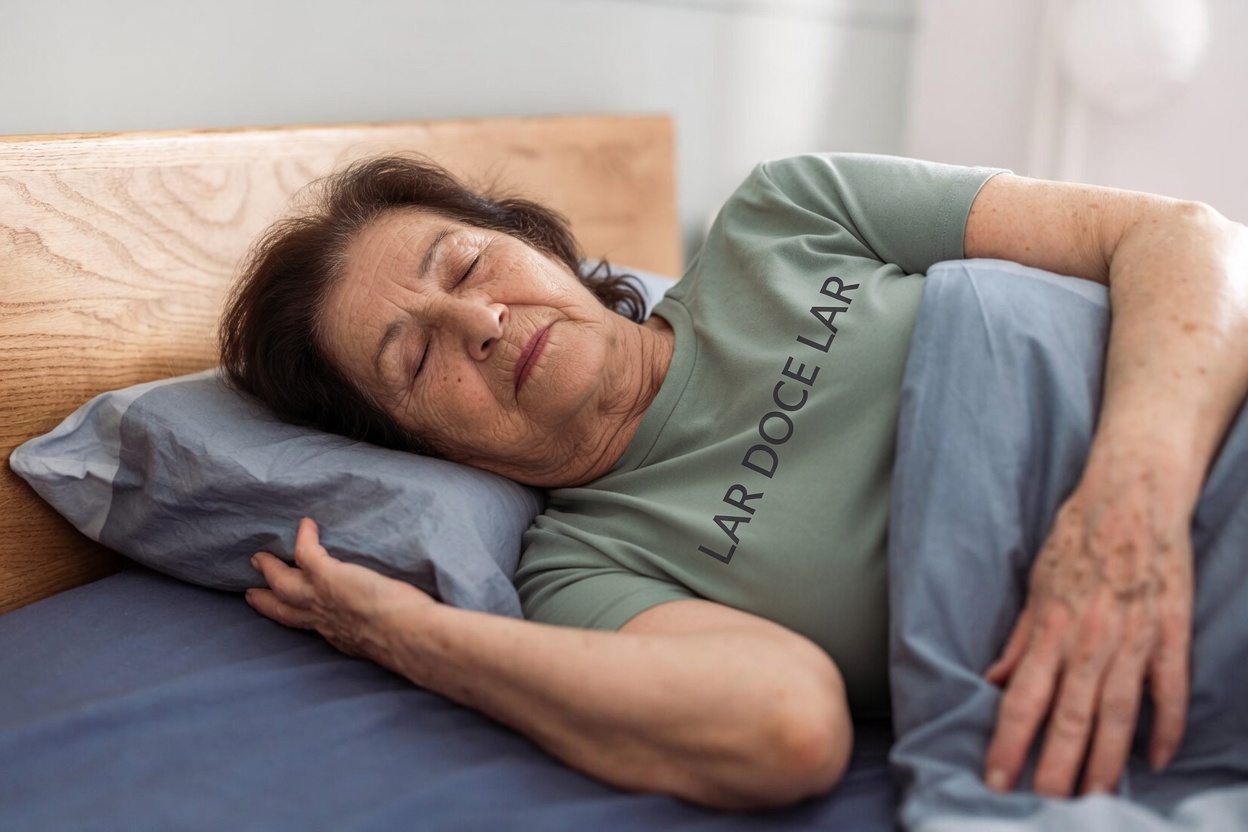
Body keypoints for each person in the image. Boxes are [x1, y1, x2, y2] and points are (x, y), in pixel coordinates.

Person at [219, 153, 1248, 810]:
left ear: (536, 243)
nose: (480, 324)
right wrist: (408, 634)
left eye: (468, 265)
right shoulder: (587, 567)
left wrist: (1133, 494)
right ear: (416, 447)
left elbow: (1174, 234)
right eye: (415, 360)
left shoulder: (780, 212)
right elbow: (784, 728)